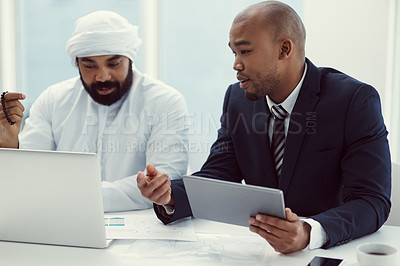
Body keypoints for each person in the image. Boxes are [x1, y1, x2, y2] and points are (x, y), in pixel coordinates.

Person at [137, 0, 391, 254]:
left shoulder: (354, 100)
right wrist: (170, 195)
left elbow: (371, 200)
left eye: (245, 52)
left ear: (284, 49)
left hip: (327, 251)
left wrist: (308, 232)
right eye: (233, 53)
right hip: (262, 252)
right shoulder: (237, 100)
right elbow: (219, 173)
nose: (236, 64)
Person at [0, 11, 189, 212]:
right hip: (64, 221)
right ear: (77, 64)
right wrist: (10, 146)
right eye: (89, 66)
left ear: (130, 59)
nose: (102, 76)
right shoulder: (53, 100)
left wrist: (66, 195)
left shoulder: (165, 101)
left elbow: (166, 184)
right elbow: (30, 176)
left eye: (113, 63)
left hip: (144, 229)